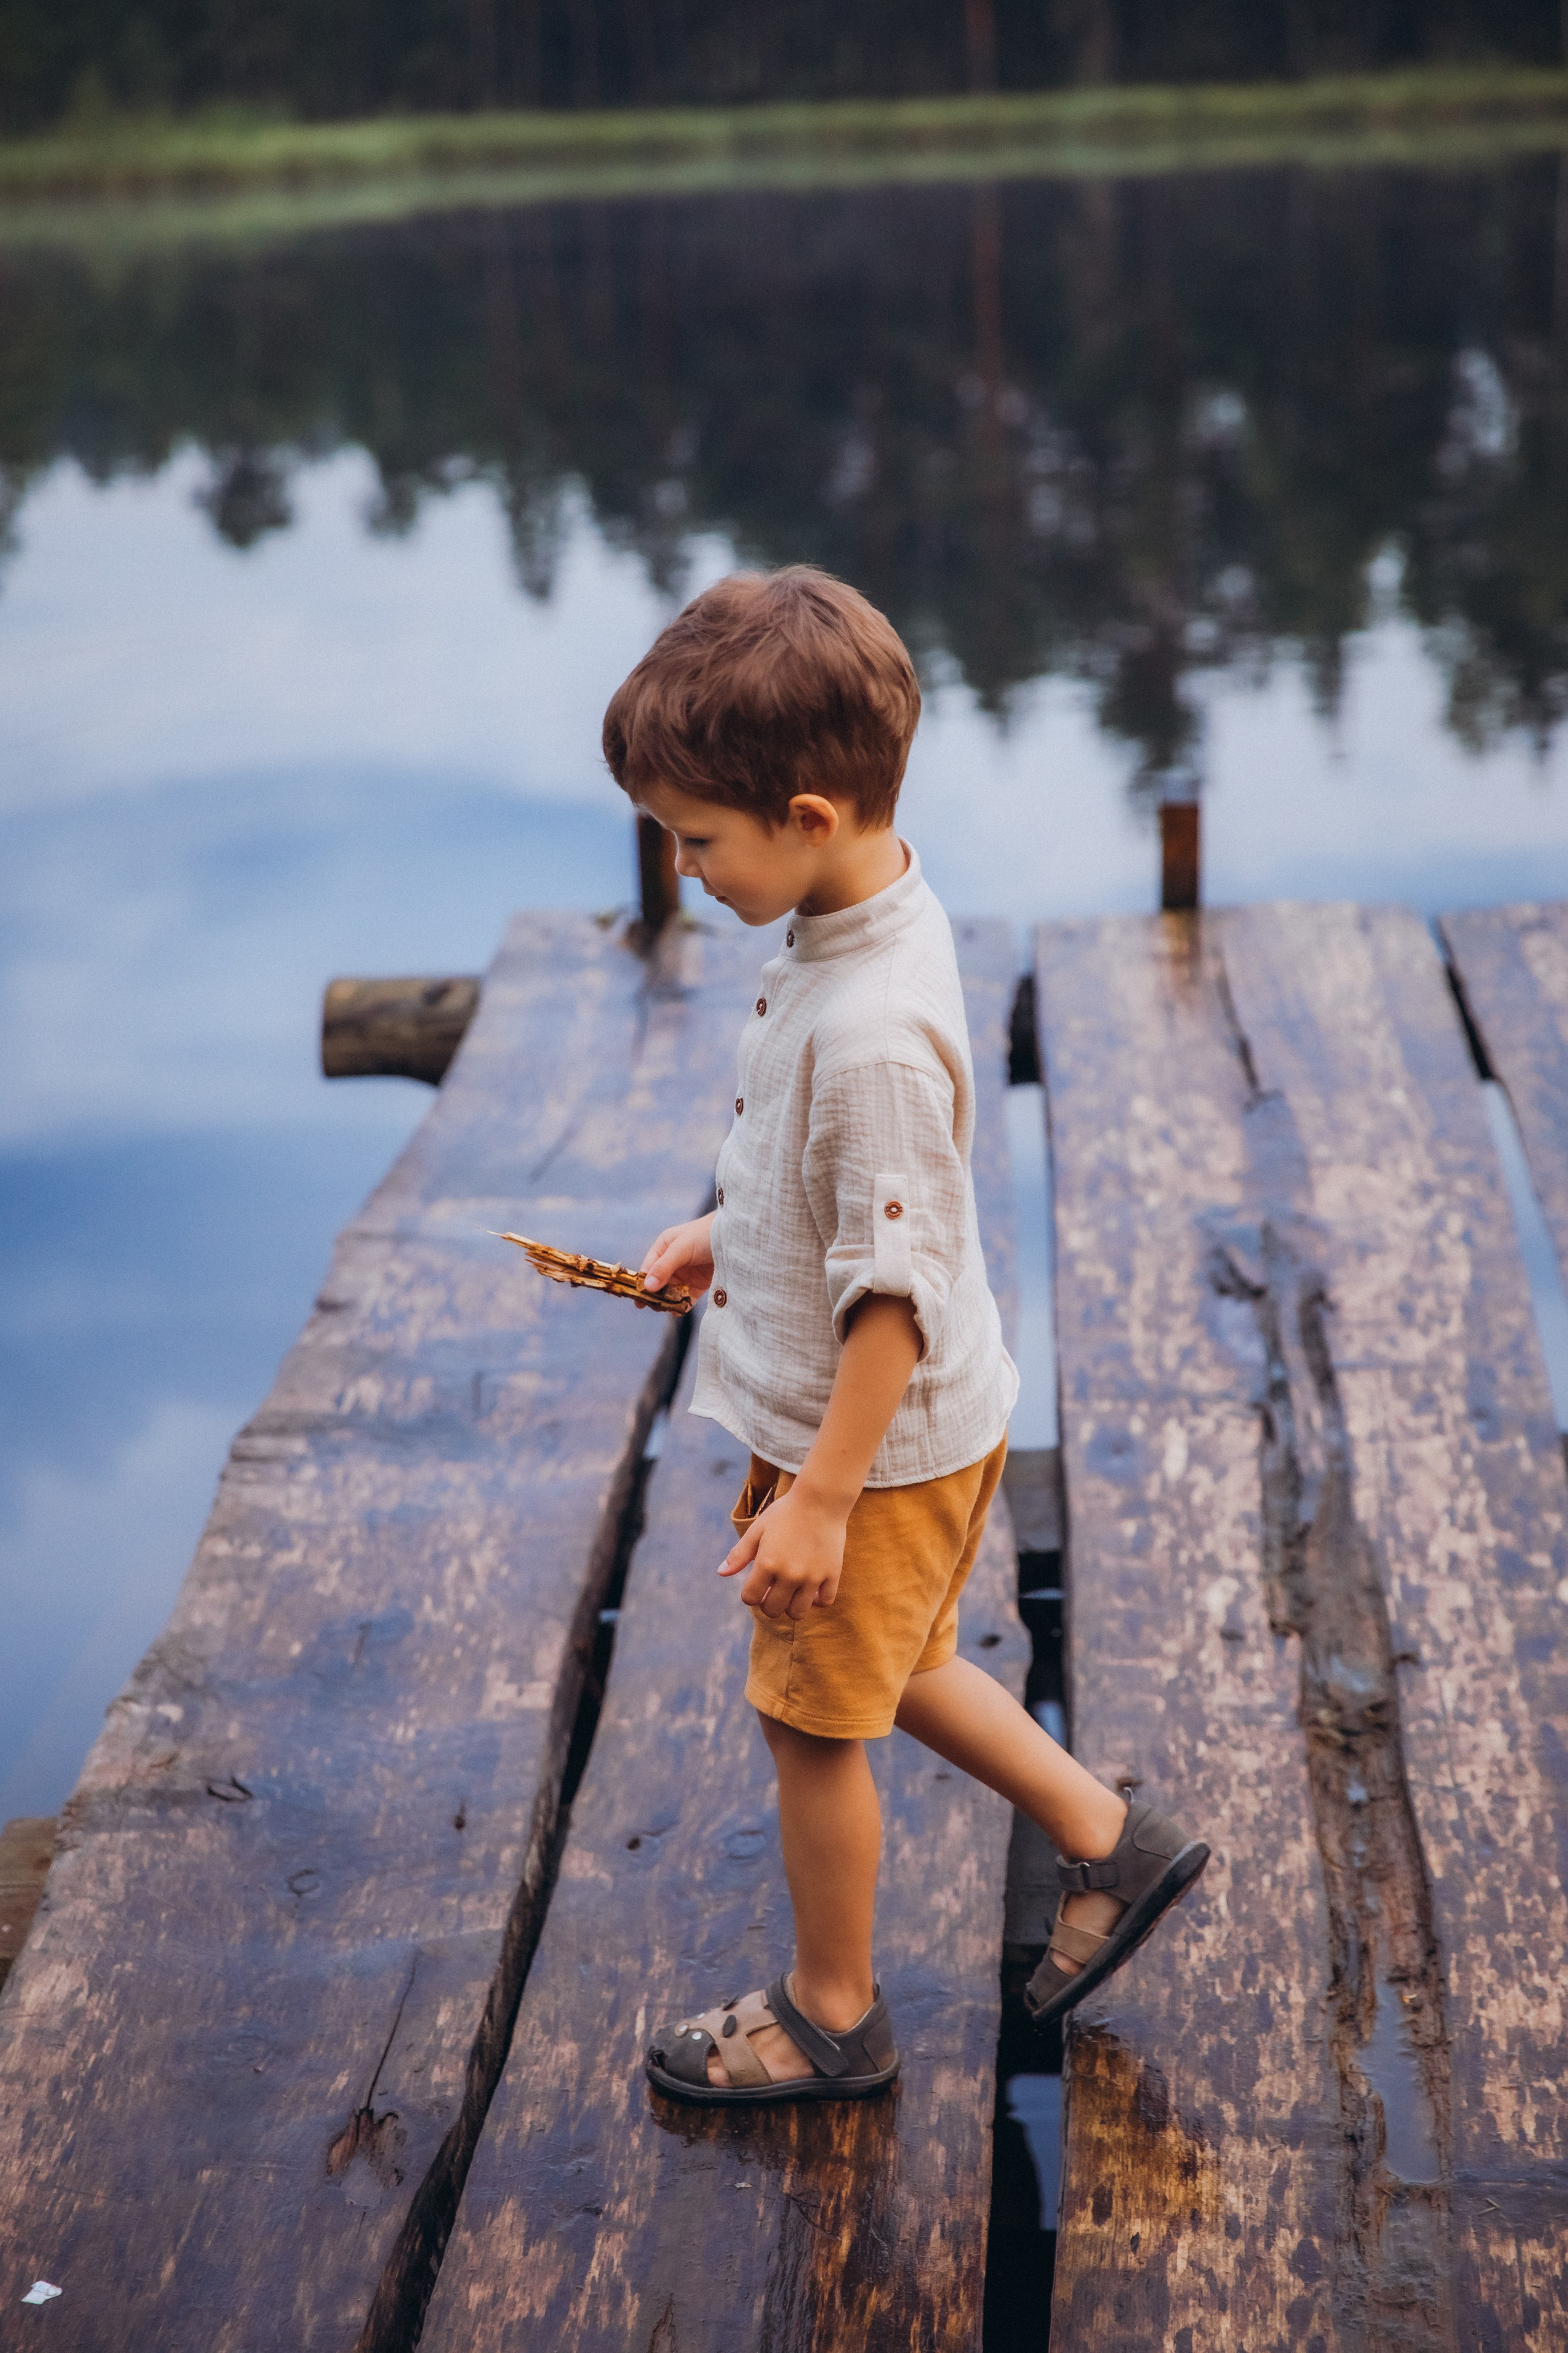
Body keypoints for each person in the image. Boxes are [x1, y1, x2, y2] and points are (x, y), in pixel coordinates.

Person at [605, 565, 1207, 2106]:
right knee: (911, 1657)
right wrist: (724, 1234)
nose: (679, 870)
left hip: (863, 1447)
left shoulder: (870, 1025)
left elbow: (893, 1293)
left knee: (812, 1727)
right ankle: (1101, 1834)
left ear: (809, 813)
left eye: (697, 838)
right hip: (920, 1432)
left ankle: (831, 2014)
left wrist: (815, 1493)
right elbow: (840, 1197)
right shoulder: (867, 910)